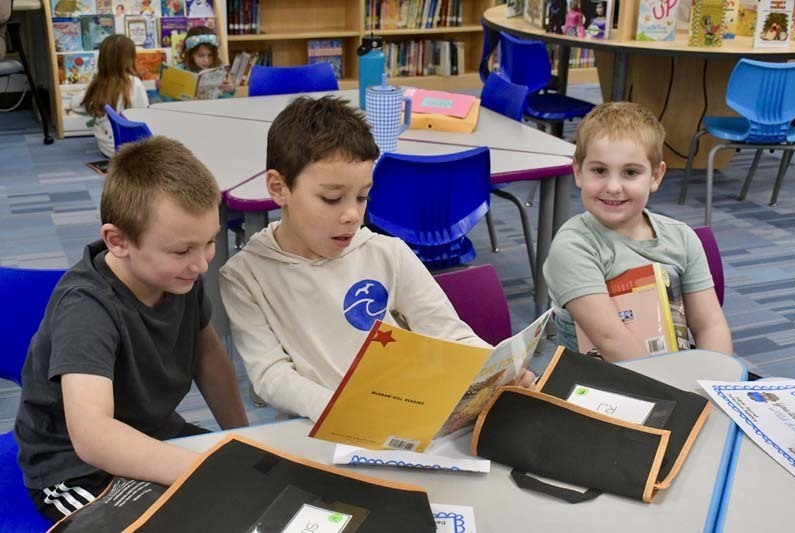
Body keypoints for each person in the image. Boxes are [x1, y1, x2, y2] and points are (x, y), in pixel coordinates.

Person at [220, 96, 536, 421]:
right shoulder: (245, 275)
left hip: (406, 414)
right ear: (279, 187)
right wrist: (339, 409)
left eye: (362, 196)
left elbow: (447, 332)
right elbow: (270, 375)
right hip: (319, 426)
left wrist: (496, 370)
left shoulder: (387, 252)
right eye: (331, 198)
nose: (352, 215)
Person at [14, 136, 249, 522]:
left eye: (208, 242)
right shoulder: (86, 308)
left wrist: (243, 439)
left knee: (248, 496)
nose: (201, 264)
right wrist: (201, 469)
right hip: (73, 467)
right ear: (118, 242)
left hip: (151, 433)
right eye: (181, 250)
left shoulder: (178, 275)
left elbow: (207, 357)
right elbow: (92, 437)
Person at [543, 102, 733, 361]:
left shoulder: (681, 237)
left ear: (655, 176)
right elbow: (610, 339)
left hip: (674, 374)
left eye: (630, 172)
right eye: (599, 171)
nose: (613, 186)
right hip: (597, 385)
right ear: (578, 172)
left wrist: (715, 381)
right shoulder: (574, 246)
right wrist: (675, 391)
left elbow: (711, 326)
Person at [73, 35, 148, 158]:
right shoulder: (135, 83)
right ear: (130, 59)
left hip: (106, 148)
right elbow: (144, 115)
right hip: (130, 150)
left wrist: (92, 104)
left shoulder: (98, 84)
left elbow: (74, 105)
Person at [177, 25, 234, 98]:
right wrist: (162, 88)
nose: (206, 60)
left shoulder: (219, 69)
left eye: (210, 55)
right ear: (191, 54)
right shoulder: (180, 70)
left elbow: (226, 100)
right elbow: (168, 100)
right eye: (201, 55)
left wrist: (230, 89)